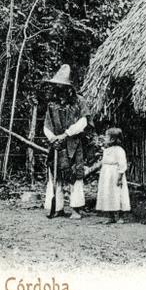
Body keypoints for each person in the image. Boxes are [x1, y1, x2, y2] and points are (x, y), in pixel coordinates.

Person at [43, 64, 92, 219]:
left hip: (73, 144)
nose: (60, 89)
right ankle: (57, 208)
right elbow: (46, 125)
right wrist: (52, 138)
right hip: (56, 144)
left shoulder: (79, 102)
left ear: (70, 87)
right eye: (58, 86)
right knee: (55, 176)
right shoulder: (52, 104)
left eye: (63, 86)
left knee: (74, 176)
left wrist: (66, 134)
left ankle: (76, 209)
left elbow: (83, 122)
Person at [87, 128, 130, 224]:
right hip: (106, 176)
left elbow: (122, 164)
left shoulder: (119, 150)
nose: (104, 138)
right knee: (108, 194)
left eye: (107, 136)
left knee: (118, 194)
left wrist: (119, 177)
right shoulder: (106, 150)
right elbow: (103, 162)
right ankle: (111, 216)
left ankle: (120, 216)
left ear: (112, 139)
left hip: (115, 174)